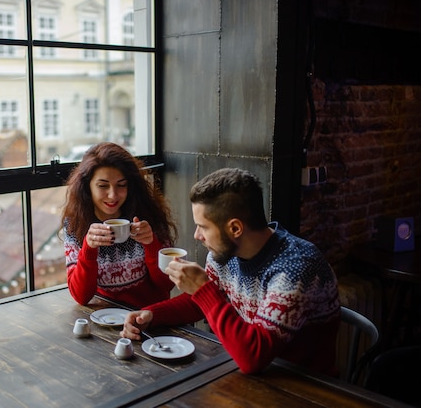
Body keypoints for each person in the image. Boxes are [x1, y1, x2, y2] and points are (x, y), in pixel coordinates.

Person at [120, 168, 340, 375]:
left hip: (302, 385)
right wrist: (152, 314)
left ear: (235, 228)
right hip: (244, 369)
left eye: (203, 227)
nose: (197, 235)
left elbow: (252, 358)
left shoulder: (295, 268)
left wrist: (202, 288)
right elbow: (201, 303)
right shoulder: (223, 254)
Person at [61, 142, 178, 308]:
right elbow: (81, 297)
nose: (113, 195)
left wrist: (151, 244)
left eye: (121, 185)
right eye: (103, 186)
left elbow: (167, 284)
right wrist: (89, 247)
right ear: (87, 187)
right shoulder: (76, 224)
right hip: (106, 318)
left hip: (151, 316)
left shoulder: (147, 214)